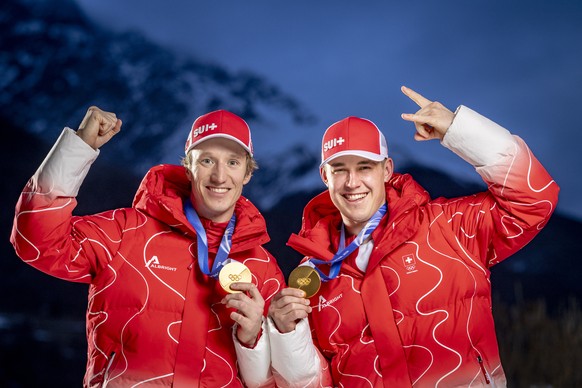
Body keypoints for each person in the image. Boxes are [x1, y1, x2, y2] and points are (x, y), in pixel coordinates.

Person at [266, 86, 559, 386]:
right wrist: (287, 335)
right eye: (339, 170)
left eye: (365, 167)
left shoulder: (448, 227)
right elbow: (318, 381)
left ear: (386, 170)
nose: (352, 182)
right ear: (325, 177)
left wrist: (461, 130)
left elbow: (534, 200)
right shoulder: (312, 275)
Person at [10, 107, 286, 387]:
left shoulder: (263, 268)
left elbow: (280, 378)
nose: (219, 176)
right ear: (188, 167)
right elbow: (37, 242)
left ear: (248, 173)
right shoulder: (126, 233)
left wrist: (253, 338)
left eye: (233, 163)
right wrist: (79, 146)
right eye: (206, 160)